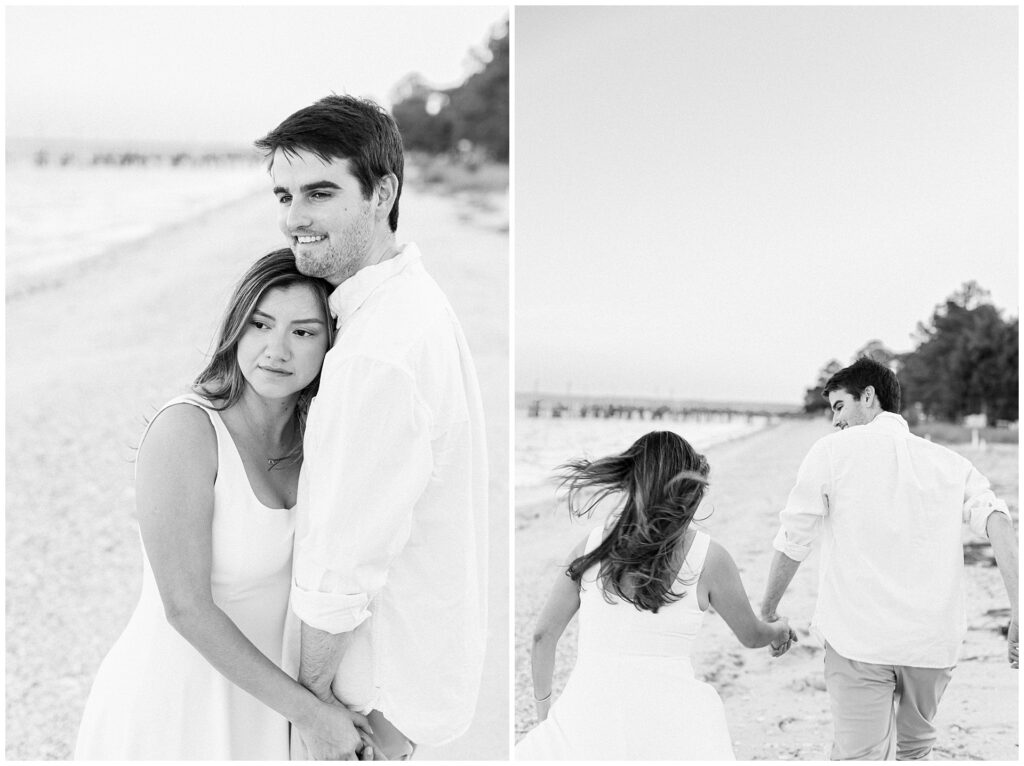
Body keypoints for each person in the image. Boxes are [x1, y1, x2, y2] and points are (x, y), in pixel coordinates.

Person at [254, 95, 488, 760]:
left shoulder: (376, 354)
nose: (293, 218)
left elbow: (341, 569)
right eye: (284, 194)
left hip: (366, 696)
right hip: (409, 681)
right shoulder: (412, 303)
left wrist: (309, 707)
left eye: (319, 193)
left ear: (382, 191)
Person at [74, 249, 373, 759]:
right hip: (175, 704)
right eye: (261, 324)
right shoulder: (187, 430)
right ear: (237, 327)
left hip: (268, 706)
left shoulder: (321, 442)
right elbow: (185, 607)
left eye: (303, 332)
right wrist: (312, 716)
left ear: (331, 346)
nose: (276, 350)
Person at [761, 357, 1019, 760]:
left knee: (860, 757)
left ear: (869, 396)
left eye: (839, 406)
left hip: (859, 639)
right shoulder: (951, 464)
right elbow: (999, 522)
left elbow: (795, 537)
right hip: (932, 645)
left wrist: (769, 611)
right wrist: (1018, 608)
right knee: (915, 752)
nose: (835, 421)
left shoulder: (831, 452)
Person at [515, 431, 796, 760]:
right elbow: (751, 635)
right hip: (671, 722)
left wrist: (546, 718)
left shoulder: (590, 548)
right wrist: (780, 630)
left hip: (588, 713)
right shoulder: (710, 556)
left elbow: (542, 636)